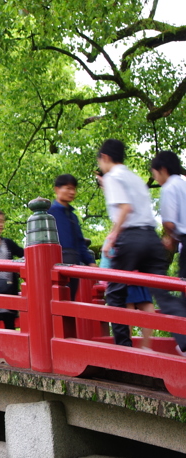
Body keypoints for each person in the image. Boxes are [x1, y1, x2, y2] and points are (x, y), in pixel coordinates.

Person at [98, 139, 186, 353]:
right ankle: (184, 338)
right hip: (151, 238)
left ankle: (124, 348)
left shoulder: (113, 177)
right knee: (162, 292)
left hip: (131, 238)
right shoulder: (135, 178)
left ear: (106, 158)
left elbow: (125, 208)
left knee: (115, 292)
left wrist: (112, 236)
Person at [151, 151, 186, 278]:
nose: (155, 178)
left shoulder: (169, 187)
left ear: (163, 169)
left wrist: (170, 239)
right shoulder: (184, 184)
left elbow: (169, 223)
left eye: (154, 174)